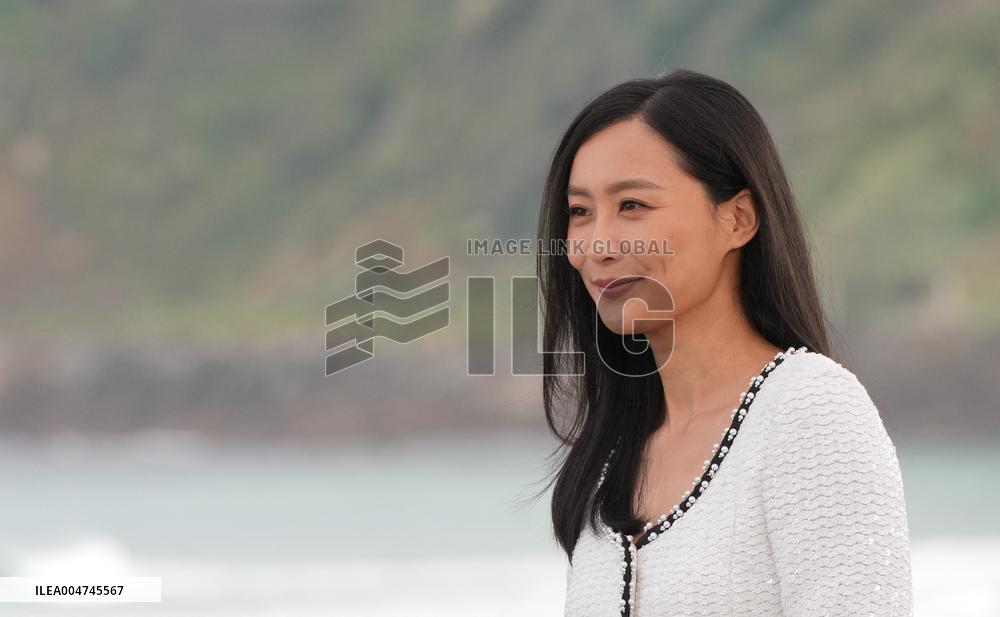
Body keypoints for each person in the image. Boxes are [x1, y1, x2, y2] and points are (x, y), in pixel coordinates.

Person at [535, 69, 912, 616]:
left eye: (632, 205)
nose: (598, 245)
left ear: (738, 218)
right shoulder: (608, 459)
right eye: (579, 213)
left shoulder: (810, 412)